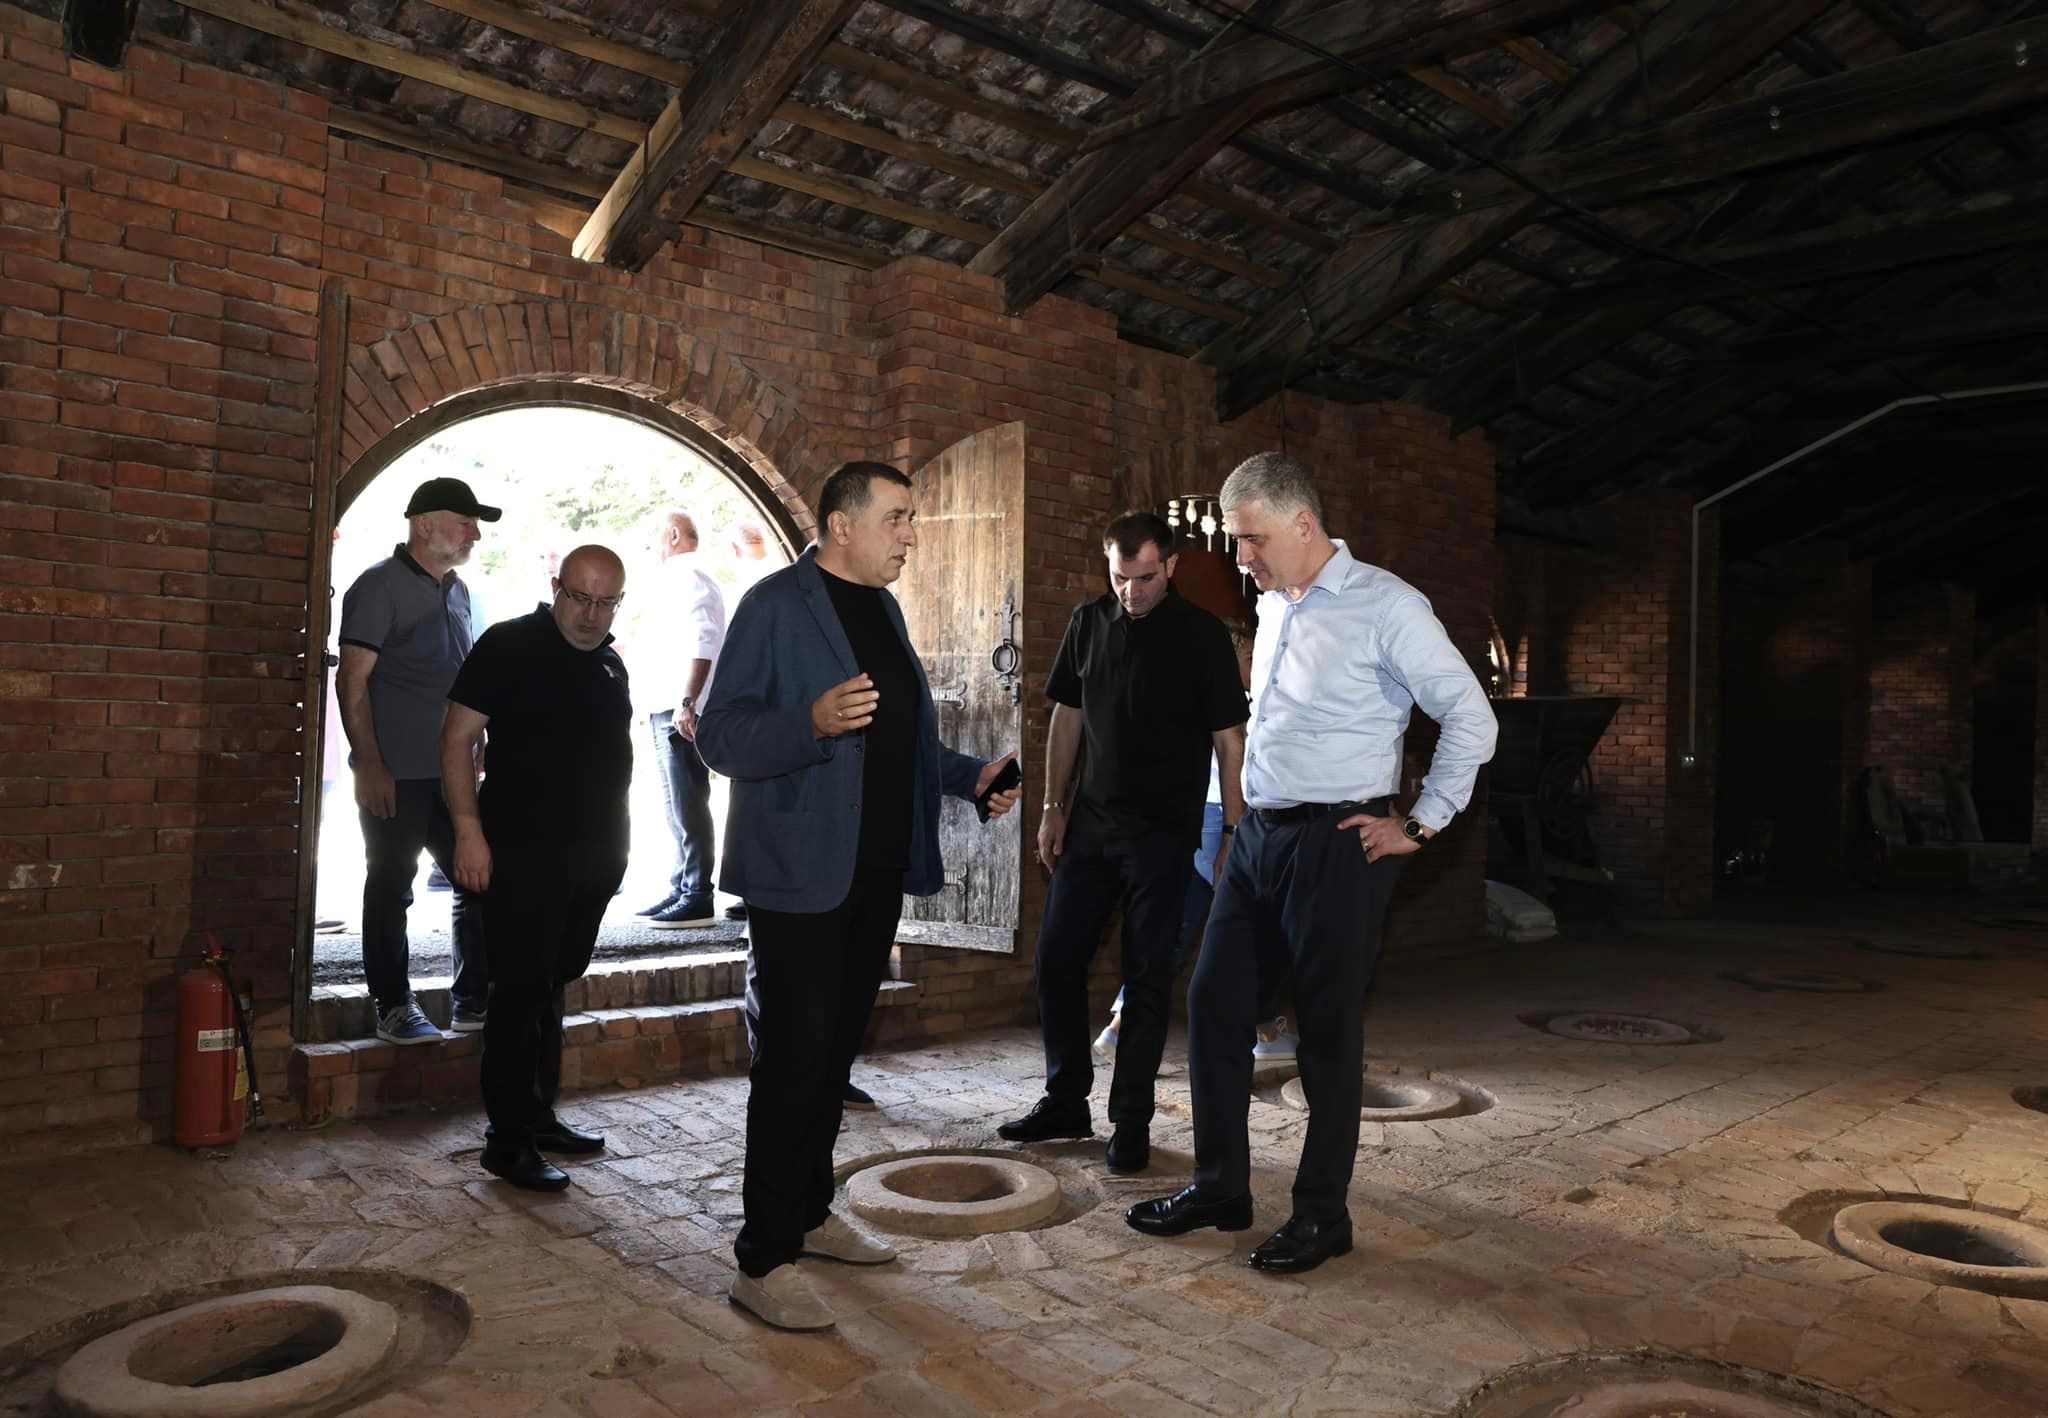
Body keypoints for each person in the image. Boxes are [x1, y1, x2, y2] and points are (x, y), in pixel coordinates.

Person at [1127, 452, 1498, 1274]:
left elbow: (1472, 718)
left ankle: (1323, 1215)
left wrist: (1422, 823)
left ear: (1303, 523)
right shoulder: (1275, 604)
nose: (1242, 558)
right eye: (1236, 541)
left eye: (1252, 539)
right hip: (1260, 835)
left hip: (1340, 841)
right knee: (1215, 1004)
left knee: (1328, 1029)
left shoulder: (1387, 605)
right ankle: (1220, 1188)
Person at [697, 460, 1020, 1331]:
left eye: (911, 518)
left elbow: (898, 741)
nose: (911, 535)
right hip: (797, 877)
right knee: (793, 1063)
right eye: (898, 518)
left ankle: (808, 1215)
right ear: (842, 525)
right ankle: (763, 1259)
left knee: (832, 1059)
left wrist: (968, 776)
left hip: (873, 873)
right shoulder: (774, 605)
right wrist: (806, 723)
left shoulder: (881, 608)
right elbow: (718, 737)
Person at [998, 513, 1246, 1176]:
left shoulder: (1202, 636)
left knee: (1146, 977)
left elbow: (1230, 742)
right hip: (1089, 828)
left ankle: (1130, 1121)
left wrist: (1231, 831)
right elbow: (1067, 715)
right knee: (1055, 960)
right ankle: (1064, 1100)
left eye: (1145, 578)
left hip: (1164, 835)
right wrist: (1052, 807)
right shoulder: (1088, 622)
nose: (1131, 591)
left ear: (1170, 566)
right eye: (1119, 578)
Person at [441, 545, 636, 1193]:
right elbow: (456, 739)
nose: (591, 614)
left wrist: (614, 857)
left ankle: (538, 1116)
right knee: (520, 994)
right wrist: (468, 831)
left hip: (592, 860)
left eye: (605, 601)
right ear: (556, 587)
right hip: (521, 854)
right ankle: (507, 1142)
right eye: (580, 597)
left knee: (552, 985)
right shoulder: (509, 645)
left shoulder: (610, 661)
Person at [335, 476, 497, 1045]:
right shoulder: (377, 586)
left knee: (477, 880)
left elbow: (464, 678)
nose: (475, 534)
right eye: (465, 522)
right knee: (391, 886)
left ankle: (473, 1002)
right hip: (396, 773)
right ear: (424, 524)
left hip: (453, 776)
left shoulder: (459, 591)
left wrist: (479, 739)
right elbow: (352, 683)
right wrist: (369, 764)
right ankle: (392, 1005)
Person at [635, 510, 727, 929]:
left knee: (688, 801)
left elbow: (703, 640)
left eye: (653, 535)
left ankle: (697, 894)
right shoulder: (674, 576)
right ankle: (681, 885)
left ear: (673, 534)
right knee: (675, 804)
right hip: (665, 706)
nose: (648, 545)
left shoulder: (691, 574)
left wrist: (687, 701)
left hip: (681, 708)